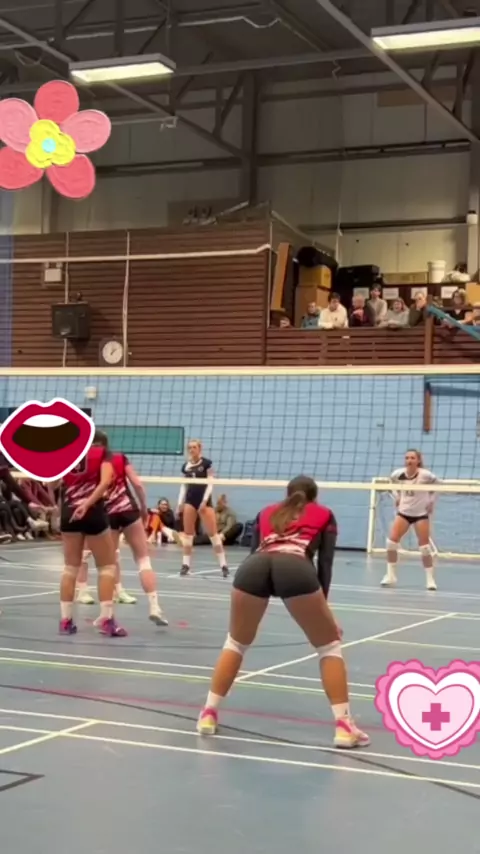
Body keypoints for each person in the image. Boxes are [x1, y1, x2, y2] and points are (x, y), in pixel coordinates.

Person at [196, 476, 370, 749]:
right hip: (295, 567)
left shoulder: (266, 512)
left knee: (236, 642)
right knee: (329, 647)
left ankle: (208, 713)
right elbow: (325, 565)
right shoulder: (324, 514)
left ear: (287, 494)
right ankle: (344, 727)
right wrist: (324, 611)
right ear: (315, 497)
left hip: (253, 568)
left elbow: (255, 551)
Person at [77, 432, 168, 627]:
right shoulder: (118, 458)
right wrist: (143, 508)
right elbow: (137, 484)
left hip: (107, 515)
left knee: (107, 566)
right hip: (129, 511)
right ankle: (155, 607)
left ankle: (106, 614)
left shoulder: (87, 462)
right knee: (143, 560)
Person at [59, 430, 127, 637]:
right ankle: (107, 620)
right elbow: (105, 482)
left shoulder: (66, 454)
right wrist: (87, 504)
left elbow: (52, 483)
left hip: (69, 511)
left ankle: (65, 621)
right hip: (93, 511)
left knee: (70, 568)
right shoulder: (102, 454)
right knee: (107, 567)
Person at [382, 449, 438, 591]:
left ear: (418, 460)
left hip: (420, 514)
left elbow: (438, 484)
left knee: (425, 547)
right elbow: (390, 482)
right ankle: (391, 575)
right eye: (407, 458)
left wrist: (431, 500)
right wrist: (397, 496)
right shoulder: (398, 474)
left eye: (412, 458)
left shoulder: (425, 475)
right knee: (391, 543)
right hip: (404, 513)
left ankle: (430, 579)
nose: (409, 460)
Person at [178, 439, 228, 577]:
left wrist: (205, 501)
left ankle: (223, 565)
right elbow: (183, 484)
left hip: (204, 501)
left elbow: (210, 483)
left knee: (213, 534)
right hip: (190, 500)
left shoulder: (207, 464)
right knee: (188, 535)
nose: (191, 450)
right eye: (189, 447)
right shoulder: (186, 466)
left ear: (200, 449)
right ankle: (185, 565)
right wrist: (180, 502)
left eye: (194, 447)